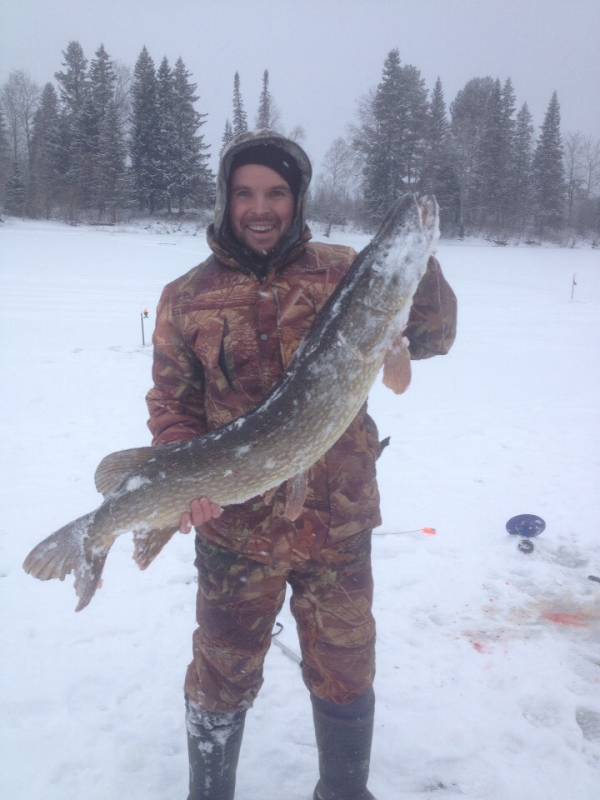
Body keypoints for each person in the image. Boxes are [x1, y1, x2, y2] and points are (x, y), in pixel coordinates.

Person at [146, 130, 457, 800]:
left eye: (277, 193)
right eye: (245, 193)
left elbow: (433, 336)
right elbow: (173, 402)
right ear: (228, 200)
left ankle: (343, 793)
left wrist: (414, 257)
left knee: (346, 667)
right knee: (221, 674)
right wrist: (181, 474)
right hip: (234, 528)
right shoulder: (185, 297)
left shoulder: (344, 270)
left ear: (297, 199)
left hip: (337, 524)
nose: (261, 208)